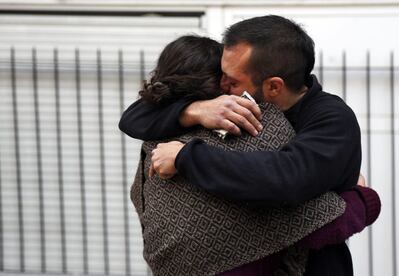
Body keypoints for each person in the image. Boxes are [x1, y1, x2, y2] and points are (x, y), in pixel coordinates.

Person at [123, 33, 380, 275]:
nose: (227, 86)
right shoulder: (251, 128)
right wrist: (363, 199)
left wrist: (186, 139)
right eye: (224, 77)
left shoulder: (155, 141)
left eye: (233, 79)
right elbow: (312, 222)